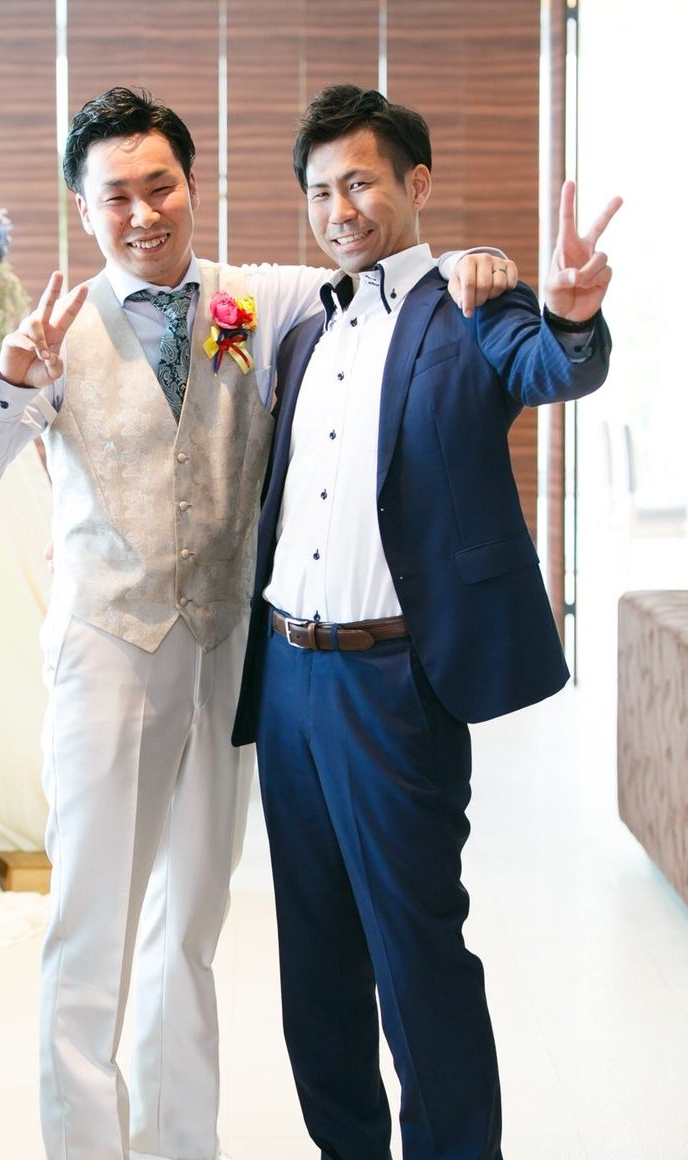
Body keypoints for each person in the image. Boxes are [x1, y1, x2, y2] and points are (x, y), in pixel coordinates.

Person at [0, 86, 513, 1160]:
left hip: (225, 658)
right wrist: (12, 383)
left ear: (192, 186)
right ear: (84, 208)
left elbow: (380, 267)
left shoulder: (264, 296)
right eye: (116, 196)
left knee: (190, 927)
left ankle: (176, 1144)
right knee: (89, 933)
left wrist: (477, 259)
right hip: (108, 654)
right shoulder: (56, 332)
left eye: (160, 186)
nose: (143, 213)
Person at [232, 84, 621, 1160]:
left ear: (417, 183)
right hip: (288, 676)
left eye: (360, 181)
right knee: (314, 958)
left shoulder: (472, 304)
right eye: (320, 191)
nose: (340, 208)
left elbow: (551, 365)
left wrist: (571, 313)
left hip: (392, 682)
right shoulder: (304, 330)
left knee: (417, 953)